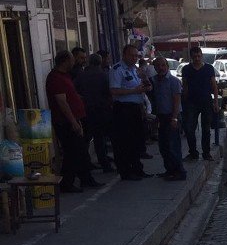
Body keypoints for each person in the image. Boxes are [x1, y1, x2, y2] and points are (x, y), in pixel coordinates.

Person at [46, 50, 102, 193]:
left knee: (81, 150)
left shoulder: (65, 76)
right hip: (65, 122)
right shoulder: (55, 78)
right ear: (65, 61)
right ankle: (67, 183)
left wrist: (79, 99)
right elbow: (62, 102)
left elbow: (69, 94)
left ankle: (86, 178)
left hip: (75, 118)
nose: (73, 62)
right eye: (72, 60)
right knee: (72, 152)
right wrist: (73, 122)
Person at [109, 44, 150, 181]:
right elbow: (114, 91)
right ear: (124, 55)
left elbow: (142, 86)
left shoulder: (135, 70)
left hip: (136, 108)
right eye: (131, 55)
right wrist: (134, 91)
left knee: (137, 140)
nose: (134, 58)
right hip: (123, 109)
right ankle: (126, 171)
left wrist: (145, 80)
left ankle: (137, 168)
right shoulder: (117, 70)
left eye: (136, 56)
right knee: (124, 142)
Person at [74, 52, 115, 173]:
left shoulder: (82, 75)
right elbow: (111, 93)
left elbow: (74, 90)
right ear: (101, 61)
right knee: (104, 138)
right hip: (103, 110)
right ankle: (106, 164)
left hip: (87, 110)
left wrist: (83, 99)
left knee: (92, 138)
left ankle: (87, 163)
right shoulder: (104, 75)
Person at [150, 56, 186, 181]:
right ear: (154, 67)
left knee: (173, 145)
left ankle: (179, 172)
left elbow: (176, 100)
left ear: (167, 66)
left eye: (163, 65)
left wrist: (175, 118)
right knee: (163, 146)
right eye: (158, 66)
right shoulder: (154, 81)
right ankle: (169, 170)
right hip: (161, 117)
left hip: (172, 116)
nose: (160, 68)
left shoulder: (173, 81)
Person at [181, 46, 219, 161]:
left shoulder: (208, 68)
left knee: (206, 129)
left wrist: (216, 102)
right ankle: (193, 153)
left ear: (201, 56)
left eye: (199, 56)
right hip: (191, 103)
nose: (197, 59)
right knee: (189, 129)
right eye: (194, 57)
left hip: (206, 102)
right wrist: (183, 104)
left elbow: (214, 86)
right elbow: (185, 86)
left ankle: (206, 153)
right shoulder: (186, 69)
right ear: (191, 57)